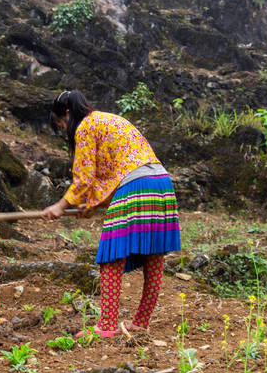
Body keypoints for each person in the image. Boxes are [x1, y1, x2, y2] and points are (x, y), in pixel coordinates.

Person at [42, 90, 181, 337]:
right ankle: (140, 323)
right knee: (154, 258)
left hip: (136, 185)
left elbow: (85, 179)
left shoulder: (85, 126)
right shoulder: (107, 119)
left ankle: (105, 326)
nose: (64, 130)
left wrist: (60, 206)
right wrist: (93, 204)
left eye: (61, 124)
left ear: (67, 113)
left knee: (111, 256)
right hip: (161, 182)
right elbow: (114, 169)